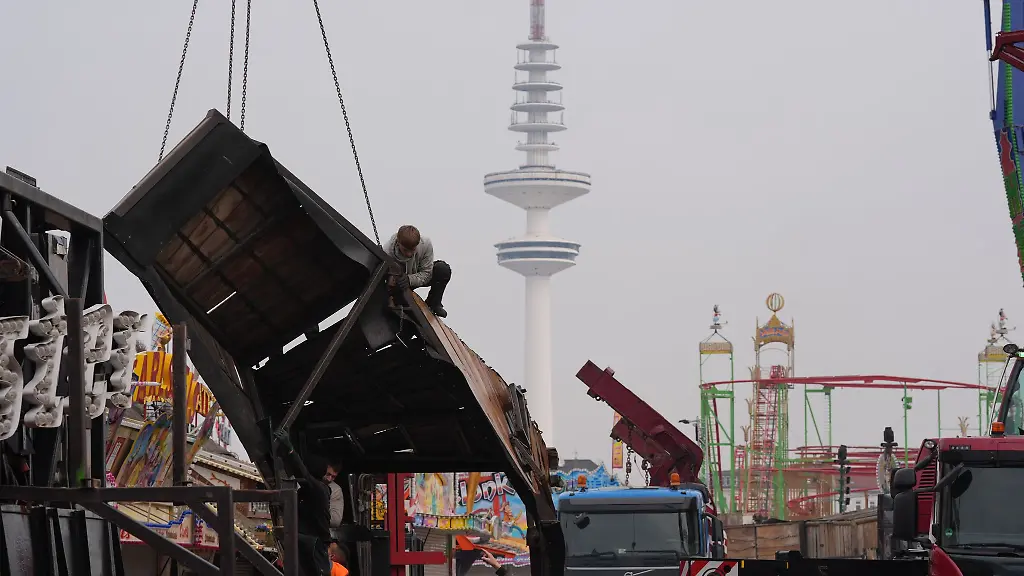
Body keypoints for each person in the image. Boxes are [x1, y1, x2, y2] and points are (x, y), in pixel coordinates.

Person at [274, 429, 332, 576]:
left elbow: (303, 473)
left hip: (315, 546)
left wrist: (290, 449)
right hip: (311, 545)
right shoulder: (309, 491)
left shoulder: (318, 490)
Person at [384, 225, 452, 318]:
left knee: (442, 269)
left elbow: (427, 273)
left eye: (412, 250)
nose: (409, 254)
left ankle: (434, 303)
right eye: (405, 250)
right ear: (398, 243)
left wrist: (409, 279)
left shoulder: (426, 245)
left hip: (416, 276)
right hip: (398, 283)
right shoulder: (387, 251)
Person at [326, 462, 345, 529]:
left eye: (333, 477)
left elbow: (335, 521)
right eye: (328, 474)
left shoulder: (335, 490)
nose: (329, 479)